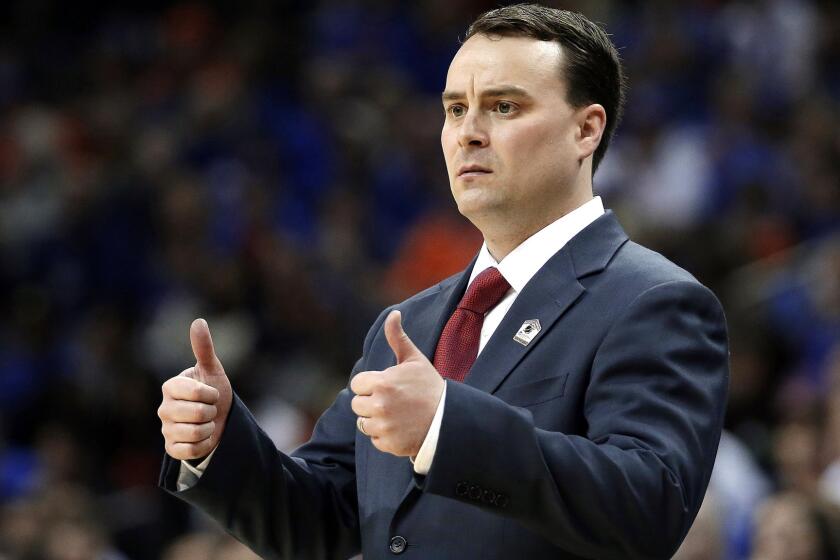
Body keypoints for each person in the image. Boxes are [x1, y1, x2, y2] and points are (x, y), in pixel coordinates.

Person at [157, 4, 729, 559]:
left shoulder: (653, 301)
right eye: (455, 109)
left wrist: (448, 426)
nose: (468, 133)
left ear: (586, 129)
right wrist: (219, 443)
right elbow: (319, 522)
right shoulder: (408, 324)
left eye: (504, 107)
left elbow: (648, 504)